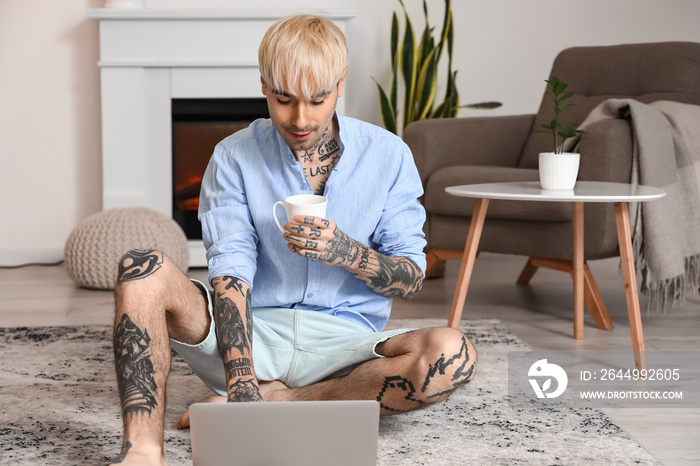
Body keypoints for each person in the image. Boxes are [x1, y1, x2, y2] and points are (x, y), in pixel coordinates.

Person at [110, 14, 477, 465]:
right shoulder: (232, 156)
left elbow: (411, 279)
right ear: (264, 86)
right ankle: (142, 450)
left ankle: (288, 400)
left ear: (340, 84)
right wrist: (242, 387)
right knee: (140, 269)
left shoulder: (389, 155)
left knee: (452, 354)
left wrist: (348, 253)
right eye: (283, 100)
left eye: (317, 100)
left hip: (347, 349)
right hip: (250, 333)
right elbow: (231, 271)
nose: (300, 119)